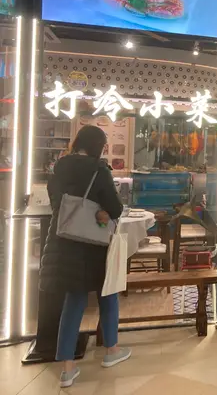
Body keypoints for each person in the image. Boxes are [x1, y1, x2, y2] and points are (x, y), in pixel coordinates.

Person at [40, 125, 128, 388]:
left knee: (74, 299)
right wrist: (102, 211)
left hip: (64, 242)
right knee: (107, 293)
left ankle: (67, 368)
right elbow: (115, 208)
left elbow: (57, 203)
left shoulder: (60, 167)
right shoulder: (98, 169)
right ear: (98, 146)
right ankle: (111, 351)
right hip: (93, 243)